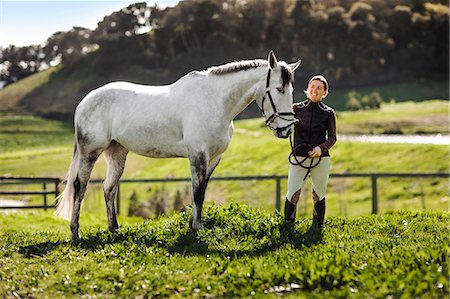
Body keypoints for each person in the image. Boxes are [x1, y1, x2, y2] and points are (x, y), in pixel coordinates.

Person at [284, 75, 337, 228]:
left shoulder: (328, 113)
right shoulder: (295, 109)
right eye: (312, 86)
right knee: (292, 193)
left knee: (319, 193)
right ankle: (288, 226)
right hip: (298, 158)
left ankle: (317, 227)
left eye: (319, 87)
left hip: (321, 159)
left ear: (324, 93)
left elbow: (333, 138)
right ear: (308, 89)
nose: (315, 90)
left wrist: (321, 149)